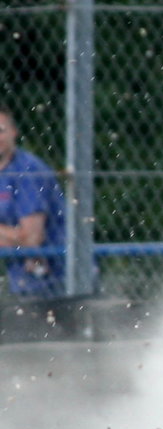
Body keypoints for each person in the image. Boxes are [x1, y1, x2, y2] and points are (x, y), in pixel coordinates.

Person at [0, 105, 66, 298]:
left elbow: (31, 239)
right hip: (24, 281)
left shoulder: (28, 170)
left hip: (58, 281)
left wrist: (16, 239)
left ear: (14, 132)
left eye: (1, 130)